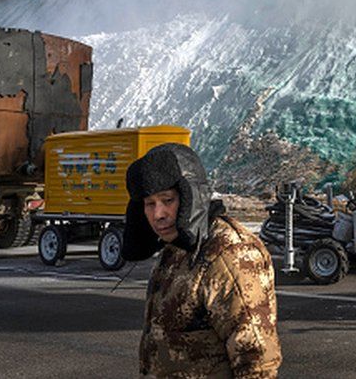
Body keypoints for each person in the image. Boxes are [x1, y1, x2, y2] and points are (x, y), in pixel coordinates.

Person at [121, 143, 282, 378]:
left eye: (168, 200)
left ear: (191, 197)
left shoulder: (229, 253)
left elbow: (256, 361)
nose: (158, 214)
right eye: (149, 204)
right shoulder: (176, 247)